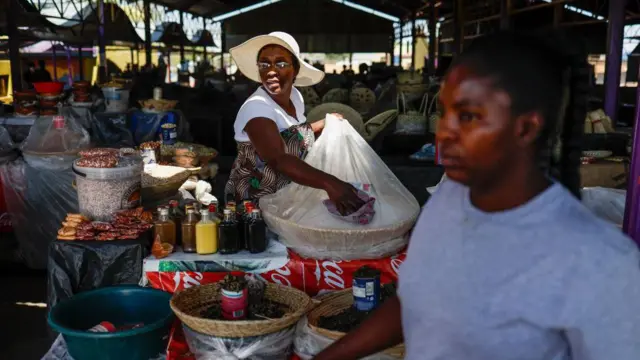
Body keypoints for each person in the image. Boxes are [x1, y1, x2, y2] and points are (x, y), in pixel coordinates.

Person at [314, 31, 640, 360]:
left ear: (525, 128)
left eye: (468, 116)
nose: (444, 132)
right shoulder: (449, 199)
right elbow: (420, 297)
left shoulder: (601, 264)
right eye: (445, 112)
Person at [225, 31, 363, 214]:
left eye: (281, 63)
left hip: (288, 195)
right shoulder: (256, 109)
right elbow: (279, 159)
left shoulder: (295, 98)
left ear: (295, 70)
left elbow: (291, 135)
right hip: (256, 204)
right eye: (264, 64)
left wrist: (323, 124)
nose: (271, 71)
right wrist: (331, 183)